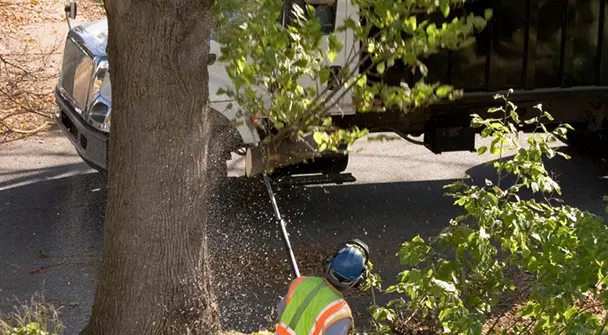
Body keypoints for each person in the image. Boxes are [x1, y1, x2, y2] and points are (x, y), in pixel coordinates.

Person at [275, 239, 370, 335]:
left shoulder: (301, 282)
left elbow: (281, 309)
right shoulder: (339, 313)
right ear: (357, 281)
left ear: (328, 264)